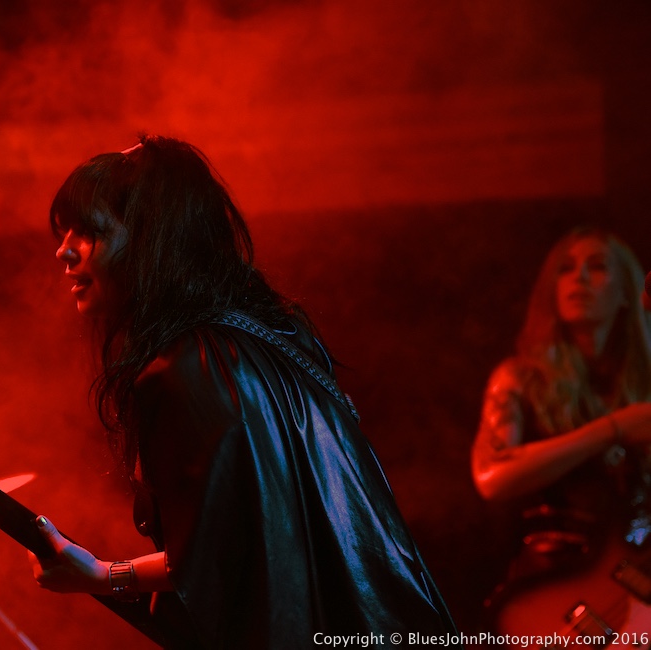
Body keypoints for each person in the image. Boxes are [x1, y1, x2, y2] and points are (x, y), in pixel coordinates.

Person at [28, 135, 457, 648]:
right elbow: (262, 531)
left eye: (88, 230)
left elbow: (215, 561)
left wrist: (103, 576)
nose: (64, 249)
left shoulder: (182, 369)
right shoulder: (275, 333)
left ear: (149, 236)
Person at [470, 226, 651, 629]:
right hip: (549, 589)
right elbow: (492, 478)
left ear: (627, 293)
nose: (580, 278)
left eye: (598, 267)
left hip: (634, 591)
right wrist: (612, 428)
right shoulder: (520, 379)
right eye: (566, 269)